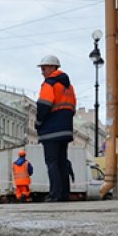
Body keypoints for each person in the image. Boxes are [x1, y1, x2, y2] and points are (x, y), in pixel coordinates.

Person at [35, 55, 76, 202]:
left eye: (44, 68)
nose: (42, 71)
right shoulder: (69, 86)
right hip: (65, 129)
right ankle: (64, 194)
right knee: (62, 162)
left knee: (52, 162)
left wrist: (38, 123)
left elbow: (44, 106)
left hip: (51, 130)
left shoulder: (49, 84)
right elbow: (72, 108)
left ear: (53, 67)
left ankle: (55, 194)